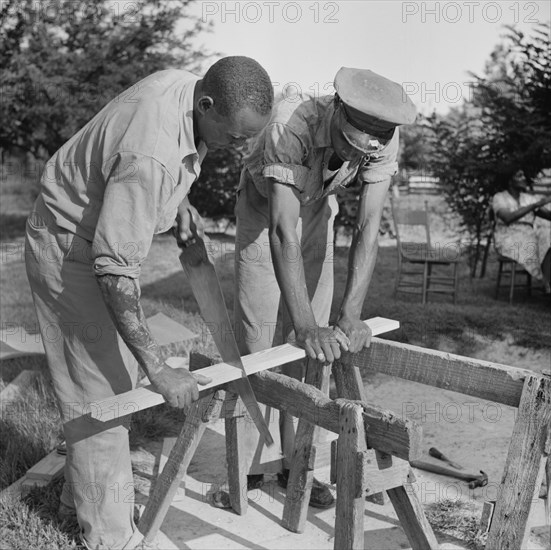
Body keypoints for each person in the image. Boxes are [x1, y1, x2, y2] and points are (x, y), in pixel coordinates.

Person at [24, 56, 273, 550]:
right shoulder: (152, 155)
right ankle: (113, 539)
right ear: (207, 104)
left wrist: (176, 201)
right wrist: (160, 368)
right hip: (69, 247)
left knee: (111, 379)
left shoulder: (185, 89)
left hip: (92, 235)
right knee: (101, 394)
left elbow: (156, 155)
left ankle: (82, 500)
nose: (241, 146)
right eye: (236, 135)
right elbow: (115, 269)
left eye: (250, 136)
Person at [232, 67, 416, 507]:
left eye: (377, 137)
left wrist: (350, 314)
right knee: (261, 339)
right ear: (336, 110)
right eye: (356, 138)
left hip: (317, 208)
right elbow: (281, 231)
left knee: (316, 353)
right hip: (264, 211)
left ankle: (297, 463)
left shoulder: (385, 136)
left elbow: (370, 227)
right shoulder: (290, 124)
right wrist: (304, 323)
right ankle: (255, 465)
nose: (369, 145)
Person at [492, 170, 551, 294]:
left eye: (524, 175)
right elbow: (508, 218)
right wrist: (534, 206)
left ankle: (546, 282)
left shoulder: (528, 198)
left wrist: (540, 204)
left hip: (529, 235)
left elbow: (547, 215)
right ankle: (545, 282)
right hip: (507, 237)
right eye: (519, 176)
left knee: (547, 237)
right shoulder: (499, 197)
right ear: (509, 181)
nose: (524, 178)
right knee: (534, 244)